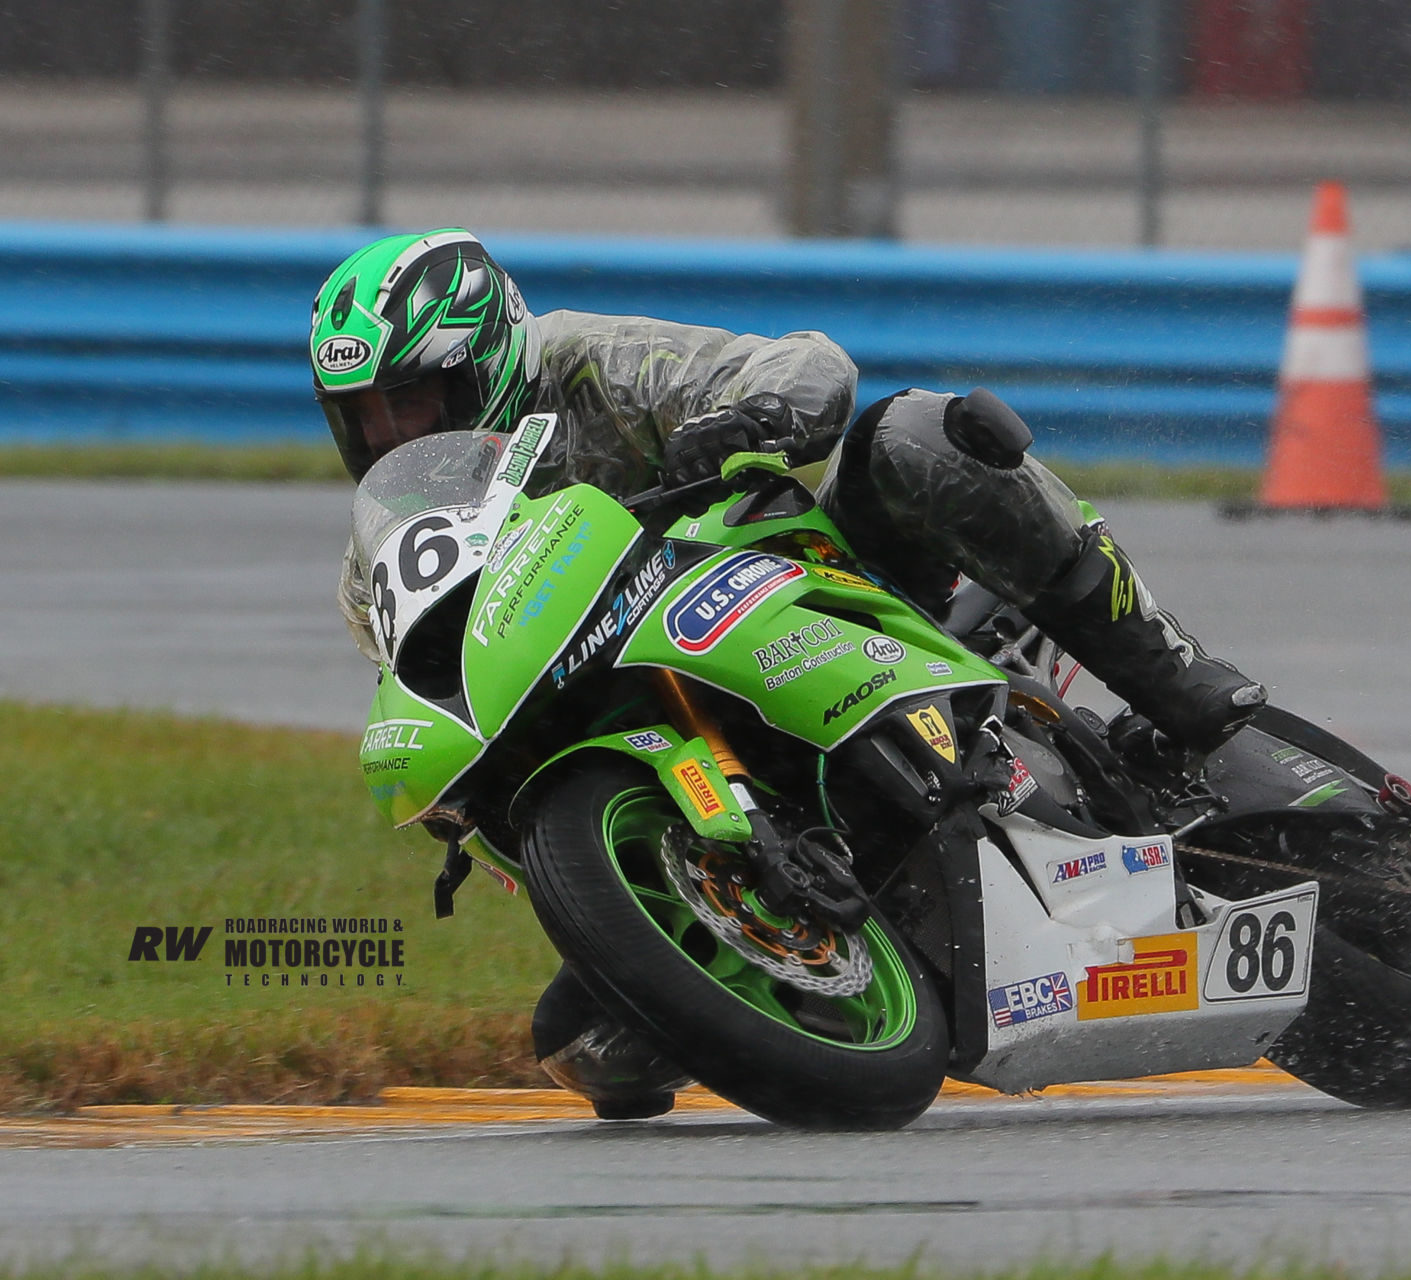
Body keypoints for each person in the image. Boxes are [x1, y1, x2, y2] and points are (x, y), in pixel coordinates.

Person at [313, 227, 1267, 1116]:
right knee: (592, 1045)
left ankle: (1173, 675)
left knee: (919, 437)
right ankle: (796, 921)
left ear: (483, 362)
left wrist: (753, 417)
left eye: (412, 401)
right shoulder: (382, 561)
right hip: (654, 740)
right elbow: (442, 701)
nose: (391, 435)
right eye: (363, 417)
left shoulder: (585, 364)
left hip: (796, 581)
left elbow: (805, 360)